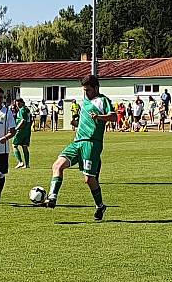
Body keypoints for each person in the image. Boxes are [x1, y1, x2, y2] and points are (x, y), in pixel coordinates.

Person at [44, 75, 116, 221]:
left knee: (89, 179)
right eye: (84, 90)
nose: (86, 93)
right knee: (57, 165)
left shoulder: (103, 100)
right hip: (77, 142)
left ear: (96, 88)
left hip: (92, 143)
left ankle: (100, 206)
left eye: (88, 90)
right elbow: (87, 121)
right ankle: (52, 197)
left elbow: (114, 117)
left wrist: (99, 117)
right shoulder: (84, 102)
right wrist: (77, 123)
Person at [12, 97, 32, 169]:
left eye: (19, 104)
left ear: (22, 103)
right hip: (27, 131)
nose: (17, 105)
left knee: (14, 145)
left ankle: (20, 162)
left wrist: (16, 128)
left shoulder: (22, 110)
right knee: (24, 147)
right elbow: (31, 120)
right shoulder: (27, 110)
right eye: (17, 104)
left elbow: (23, 121)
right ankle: (27, 164)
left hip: (21, 131)